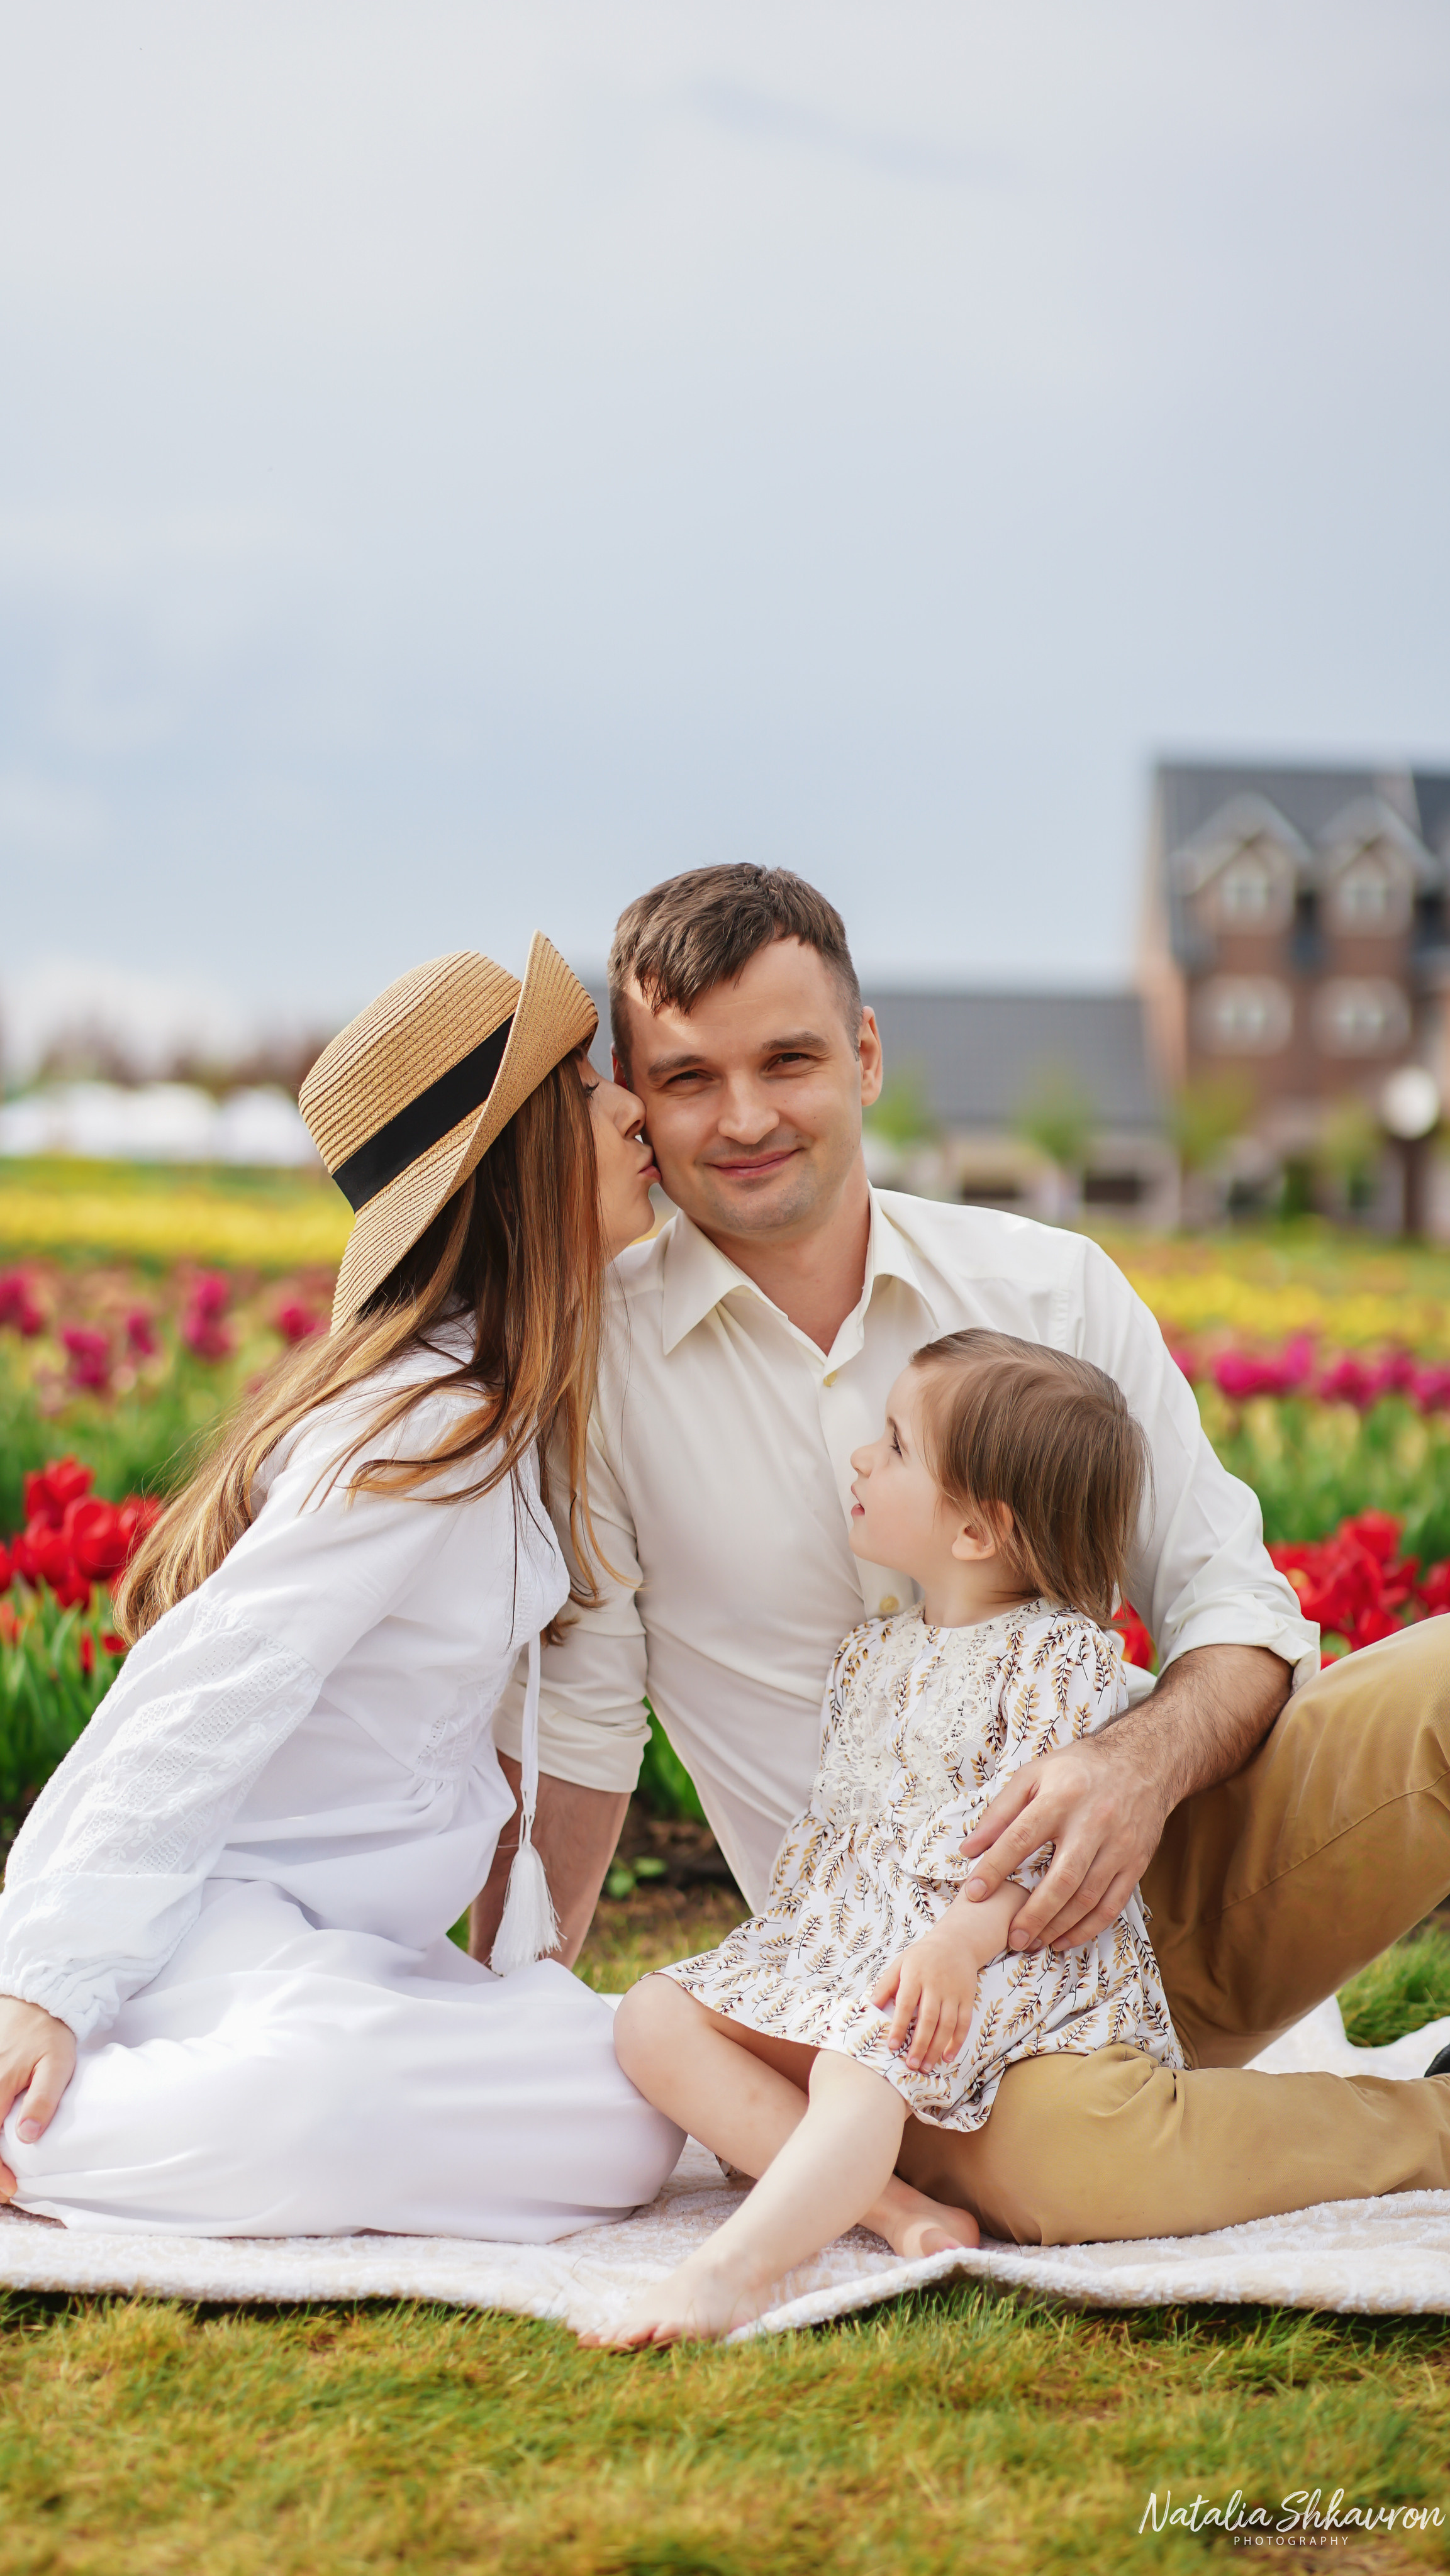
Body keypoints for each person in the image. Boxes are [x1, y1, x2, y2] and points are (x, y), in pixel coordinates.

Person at [472, 866, 1450, 2248]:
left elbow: (1234, 1610)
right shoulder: (599, 1367)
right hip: (915, 2007)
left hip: (1167, 1883)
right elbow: (581, 1725)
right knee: (1070, 2175)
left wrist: (1131, 1767)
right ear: (629, 1097)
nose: (743, 1117)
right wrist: (509, 2009)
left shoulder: (1049, 1290)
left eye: (789, 1059)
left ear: (865, 1054)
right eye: (687, 1078)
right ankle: (1424, 2126)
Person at [0, 937, 682, 2238]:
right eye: (591, 1084)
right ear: (525, 1156)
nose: (632, 1107)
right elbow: (206, 1681)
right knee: (328, 2104)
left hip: (353, 1954)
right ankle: (37, 2113)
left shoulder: (503, 1408)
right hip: (210, 1930)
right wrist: (45, 1975)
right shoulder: (416, 1425)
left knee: (630, 2110)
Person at [591, 1331, 1189, 2344]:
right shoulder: (872, 1654)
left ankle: (733, 2273)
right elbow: (849, 1840)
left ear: (975, 1533)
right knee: (651, 2017)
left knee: (864, 2051)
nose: (863, 1461)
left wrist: (958, 1941)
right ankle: (898, 2211)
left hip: (1007, 1951)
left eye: (896, 1447)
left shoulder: (1055, 1658)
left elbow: (1041, 1852)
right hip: (861, 1940)